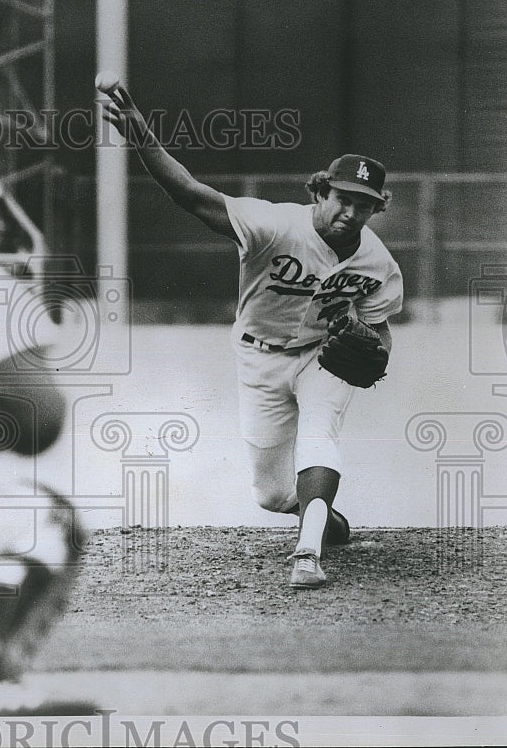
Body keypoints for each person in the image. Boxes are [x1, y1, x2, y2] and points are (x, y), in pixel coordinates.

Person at [101, 84, 403, 589]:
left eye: (365, 205)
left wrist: (379, 353)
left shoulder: (378, 262)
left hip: (320, 357)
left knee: (319, 432)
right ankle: (321, 518)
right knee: (270, 493)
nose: (351, 213)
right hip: (258, 357)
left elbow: (379, 327)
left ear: (377, 209)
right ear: (320, 191)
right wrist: (139, 133)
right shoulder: (273, 225)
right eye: (344, 199)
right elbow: (189, 194)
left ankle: (306, 554)